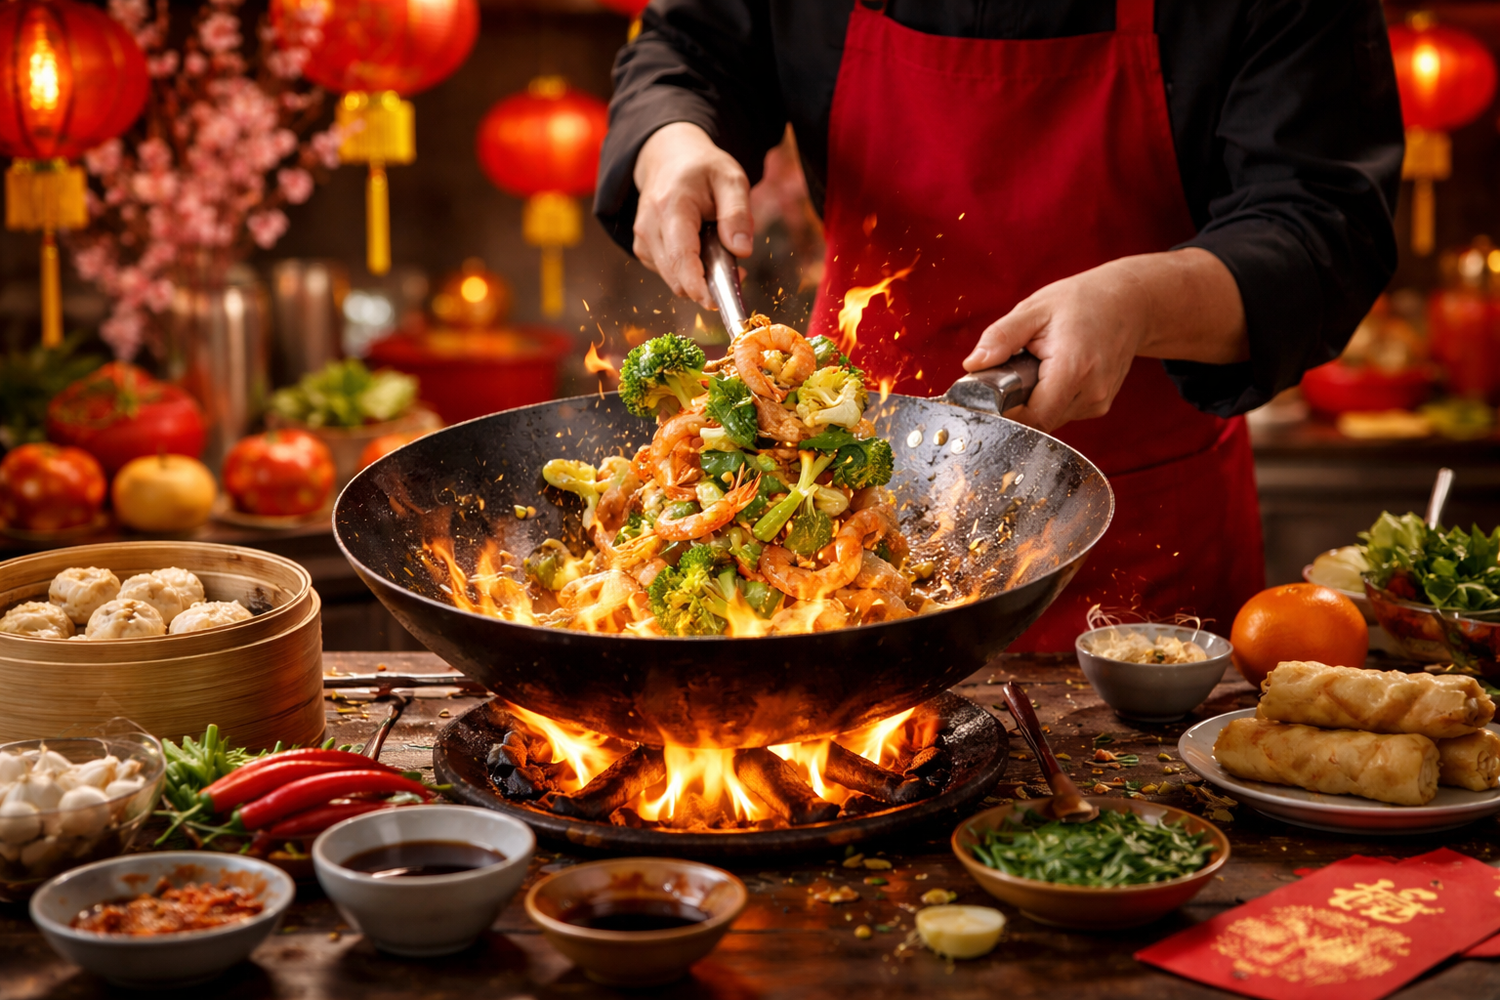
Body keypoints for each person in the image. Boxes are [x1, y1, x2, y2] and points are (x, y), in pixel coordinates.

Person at [594, 0, 1404, 650]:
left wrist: (1141, 301)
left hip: (1135, 530)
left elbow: (1326, 224)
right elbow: (689, 46)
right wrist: (670, 139)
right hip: (845, 489)